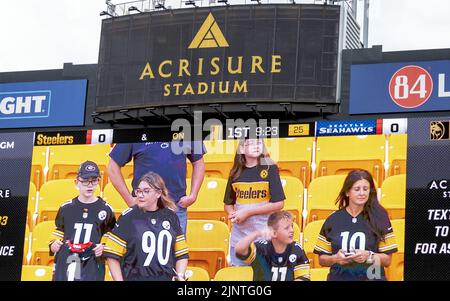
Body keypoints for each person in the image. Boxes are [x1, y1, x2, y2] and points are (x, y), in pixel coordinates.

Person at [313, 169, 398, 281]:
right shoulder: (333, 219)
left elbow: (387, 260)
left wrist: (368, 256)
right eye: (357, 189)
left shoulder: (380, 218)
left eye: (365, 189)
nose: (362, 193)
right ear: (347, 192)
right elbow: (321, 259)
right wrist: (336, 259)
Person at [103, 171, 188, 281]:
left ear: (158, 193)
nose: (140, 195)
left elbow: (181, 253)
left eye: (146, 191)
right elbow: (112, 253)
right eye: (138, 191)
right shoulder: (129, 217)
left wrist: (180, 275)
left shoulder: (171, 216)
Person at [107, 141, 205, 233]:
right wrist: (129, 200)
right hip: (143, 208)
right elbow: (112, 166)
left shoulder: (186, 128)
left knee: (176, 249)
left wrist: (193, 195)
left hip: (176, 206)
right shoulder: (135, 129)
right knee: (139, 248)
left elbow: (199, 162)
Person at [49, 161, 116, 281]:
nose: (90, 185)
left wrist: (104, 247)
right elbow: (59, 231)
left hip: (93, 263)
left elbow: (110, 235)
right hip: (68, 261)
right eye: (85, 180)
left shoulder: (106, 209)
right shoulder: (66, 208)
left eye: (94, 180)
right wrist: (53, 244)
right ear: (77, 182)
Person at [224, 138, 285, 266]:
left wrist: (248, 212)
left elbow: (279, 204)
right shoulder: (235, 173)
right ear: (242, 149)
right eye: (251, 143)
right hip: (239, 239)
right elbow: (228, 203)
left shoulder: (270, 169)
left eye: (258, 142)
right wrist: (232, 215)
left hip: (265, 238)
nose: (256, 146)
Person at [235, 211, 310, 281]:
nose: (292, 230)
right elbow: (239, 249)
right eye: (286, 228)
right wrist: (257, 234)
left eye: (291, 226)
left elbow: (303, 278)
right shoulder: (261, 248)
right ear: (274, 233)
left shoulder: (297, 250)